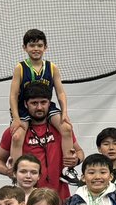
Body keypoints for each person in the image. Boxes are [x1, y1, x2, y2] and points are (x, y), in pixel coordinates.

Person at [0, 83, 83, 200]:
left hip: (60, 198)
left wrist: (76, 160)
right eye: (34, 103)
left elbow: (79, 151)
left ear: (49, 103)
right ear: (26, 104)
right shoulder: (15, 132)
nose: (39, 107)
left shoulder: (60, 129)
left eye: (43, 102)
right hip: (28, 199)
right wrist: (8, 171)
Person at [8, 29, 74, 168]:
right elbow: (13, 95)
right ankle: (16, 173)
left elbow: (60, 92)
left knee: (67, 128)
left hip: (46, 107)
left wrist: (65, 113)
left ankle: (68, 170)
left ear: (45, 47)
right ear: (24, 47)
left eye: (39, 45)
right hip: (24, 109)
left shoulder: (52, 67)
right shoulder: (20, 68)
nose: (36, 49)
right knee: (17, 136)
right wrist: (16, 118)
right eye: (32, 45)